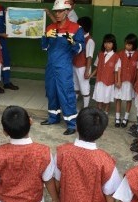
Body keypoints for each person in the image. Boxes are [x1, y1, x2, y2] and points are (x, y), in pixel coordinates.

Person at [41, 0, 85, 135]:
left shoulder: (76, 28)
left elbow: (79, 49)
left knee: (66, 94)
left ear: (67, 11)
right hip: (51, 66)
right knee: (51, 91)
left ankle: (72, 123)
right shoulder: (50, 28)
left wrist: (72, 42)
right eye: (56, 11)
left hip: (64, 66)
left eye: (60, 11)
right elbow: (44, 47)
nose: (58, 14)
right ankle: (53, 117)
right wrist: (45, 37)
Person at [90, 34, 120, 114]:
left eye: (110, 43)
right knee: (98, 99)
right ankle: (98, 113)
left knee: (107, 99)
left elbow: (117, 71)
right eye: (105, 43)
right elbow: (97, 68)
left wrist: (117, 81)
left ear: (113, 44)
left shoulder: (116, 57)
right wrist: (91, 75)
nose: (107, 45)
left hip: (109, 82)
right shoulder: (100, 55)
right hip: (99, 81)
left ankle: (105, 114)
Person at [115, 33, 138, 128]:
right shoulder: (120, 54)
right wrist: (118, 80)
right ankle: (117, 118)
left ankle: (126, 118)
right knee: (118, 98)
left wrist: (136, 82)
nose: (127, 46)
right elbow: (118, 68)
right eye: (126, 44)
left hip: (131, 82)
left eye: (129, 44)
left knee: (129, 99)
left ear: (134, 45)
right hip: (121, 81)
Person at [72, 17, 94, 109]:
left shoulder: (90, 40)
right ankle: (73, 106)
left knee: (85, 89)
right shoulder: (77, 37)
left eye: (78, 26)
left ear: (83, 27)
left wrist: (87, 71)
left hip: (83, 67)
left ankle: (85, 108)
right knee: (75, 87)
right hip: (75, 65)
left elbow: (89, 57)